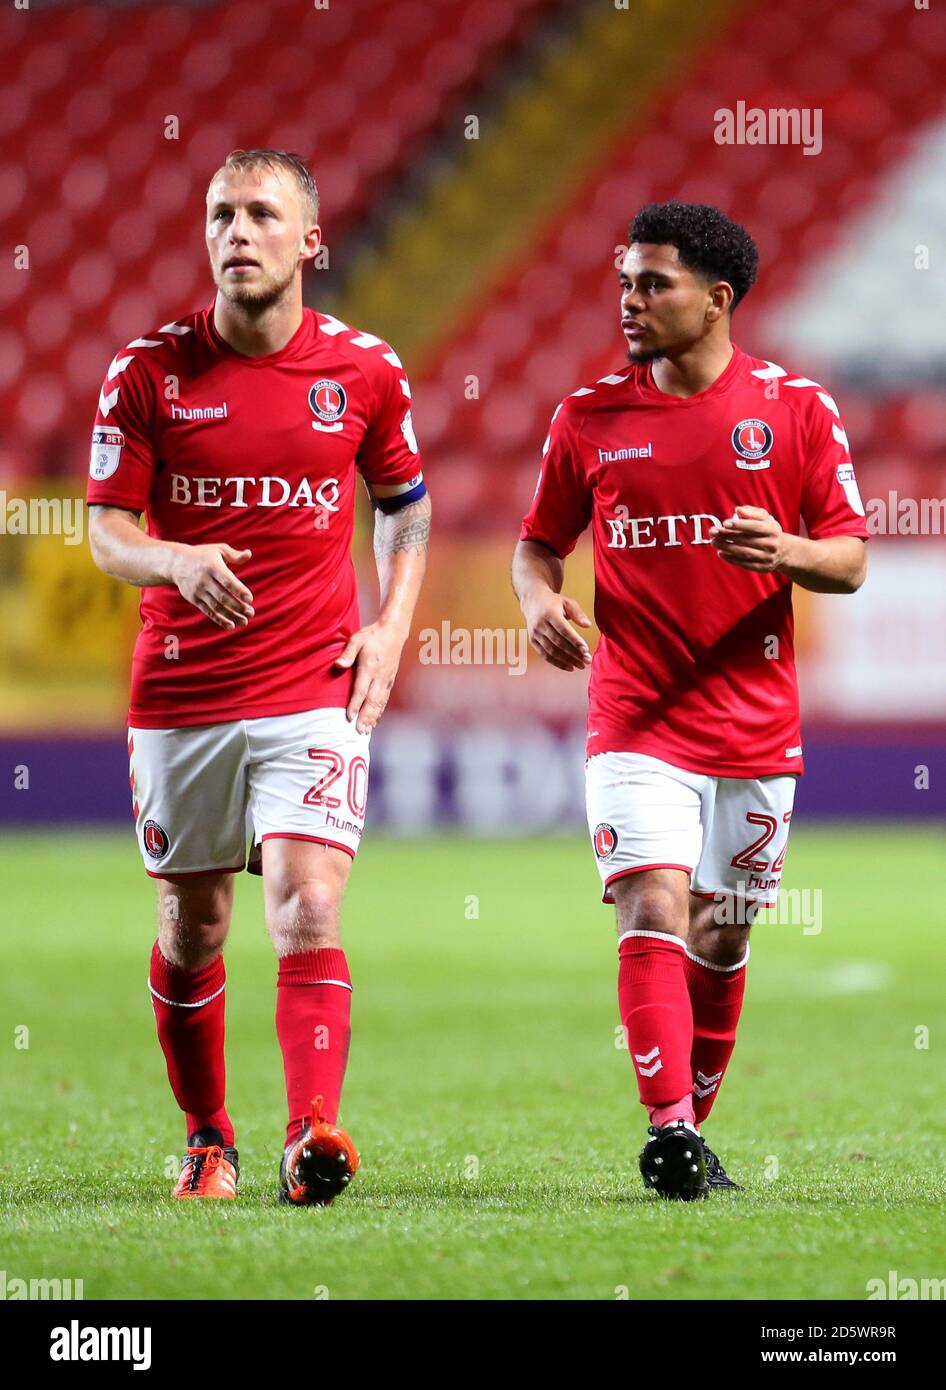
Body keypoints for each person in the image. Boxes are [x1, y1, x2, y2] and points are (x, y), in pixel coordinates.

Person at [87, 149, 430, 1204]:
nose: (237, 231)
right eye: (221, 214)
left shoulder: (365, 371)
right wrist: (175, 557)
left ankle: (309, 1134)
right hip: (183, 690)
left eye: (260, 215)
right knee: (193, 926)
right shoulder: (148, 371)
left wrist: (389, 629)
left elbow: (406, 508)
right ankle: (207, 1134)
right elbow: (105, 531)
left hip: (313, 683)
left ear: (309, 241)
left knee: (306, 905)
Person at [512, 201, 867, 1200]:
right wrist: (540, 600)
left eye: (651, 282)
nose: (629, 300)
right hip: (634, 715)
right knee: (653, 900)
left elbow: (847, 557)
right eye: (624, 281)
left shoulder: (795, 409)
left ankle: (690, 1128)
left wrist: (788, 552)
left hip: (754, 720)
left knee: (724, 933)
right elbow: (537, 542)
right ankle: (668, 1127)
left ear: (716, 299)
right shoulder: (588, 417)